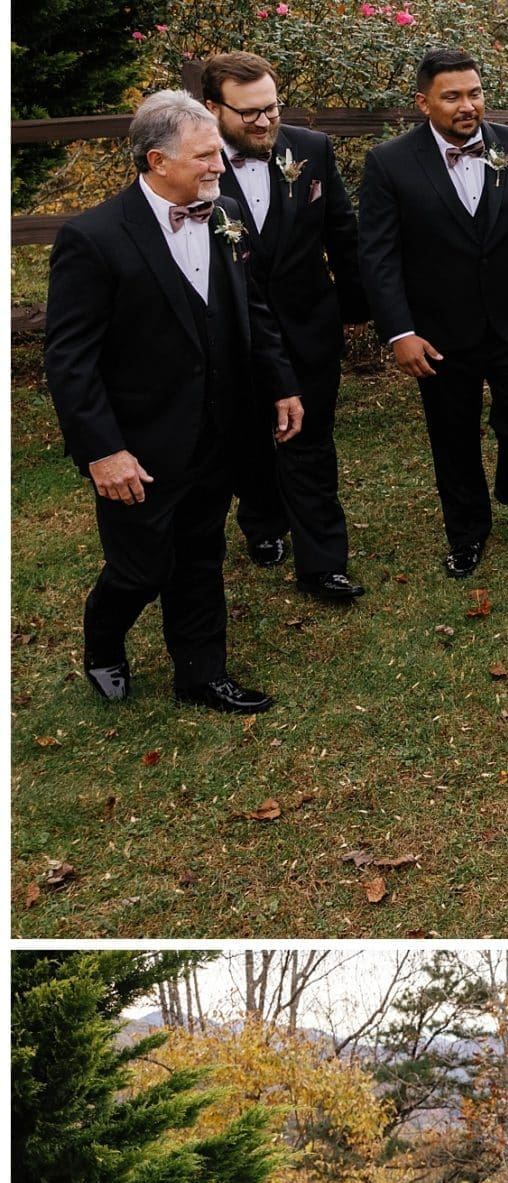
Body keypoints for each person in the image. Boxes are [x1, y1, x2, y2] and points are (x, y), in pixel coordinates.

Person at [42, 88, 303, 714]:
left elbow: (253, 311)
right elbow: (69, 360)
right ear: (157, 162)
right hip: (141, 443)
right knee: (141, 569)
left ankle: (201, 672)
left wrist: (282, 383)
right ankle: (104, 642)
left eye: (217, 153)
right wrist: (105, 451)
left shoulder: (224, 213)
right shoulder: (93, 238)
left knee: (201, 555)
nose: (218, 165)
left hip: (220, 430)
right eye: (204, 156)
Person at [356, 46, 508, 578]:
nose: (467, 105)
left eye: (474, 93)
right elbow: (377, 256)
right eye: (452, 97)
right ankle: (467, 530)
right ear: (423, 103)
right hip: (438, 332)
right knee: (452, 435)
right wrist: (399, 332)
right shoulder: (389, 163)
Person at [201, 50, 367, 604]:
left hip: (308, 325)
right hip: (232, 336)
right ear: (213, 109)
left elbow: (341, 231)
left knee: (311, 440)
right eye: (249, 113)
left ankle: (322, 562)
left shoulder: (311, 149)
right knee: (249, 436)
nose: (265, 121)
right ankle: (262, 520)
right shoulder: (194, 164)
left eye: (271, 107)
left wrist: (355, 309)